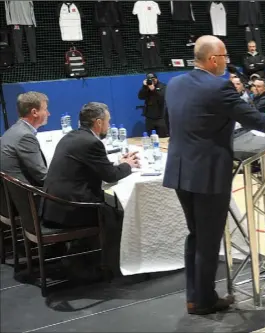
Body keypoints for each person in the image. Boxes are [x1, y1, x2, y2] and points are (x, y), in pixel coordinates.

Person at [163, 36, 265, 315]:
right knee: (208, 239)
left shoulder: (175, 83)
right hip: (208, 173)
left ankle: (194, 296)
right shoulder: (218, 86)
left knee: (195, 235)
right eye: (225, 57)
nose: (228, 62)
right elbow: (253, 118)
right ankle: (203, 301)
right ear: (213, 59)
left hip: (180, 169)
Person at [41, 102, 140, 275]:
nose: (109, 125)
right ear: (99, 122)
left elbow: (99, 168)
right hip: (71, 208)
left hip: (53, 205)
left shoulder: (72, 136)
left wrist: (119, 164)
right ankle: (116, 264)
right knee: (120, 212)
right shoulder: (91, 143)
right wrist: (128, 165)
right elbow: (110, 176)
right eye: (108, 121)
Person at [0, 92, 49, 186]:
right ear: (34, 112)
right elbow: (42, 176)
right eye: (45, 109)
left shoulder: (14, 130)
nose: (48, 114)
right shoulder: (25, 137)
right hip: (30, 196)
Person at [137, 73, 168, 137]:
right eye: (150, 79)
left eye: (153, 79)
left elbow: (162, 98)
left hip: (161, 117)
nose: (152, 81)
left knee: (162, 137)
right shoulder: (146, 87)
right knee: (151, 137)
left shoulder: (163, 86)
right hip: (149, 118)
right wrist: (144, 87)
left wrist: (153, 89)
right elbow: (140, 97)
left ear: (156, 79)